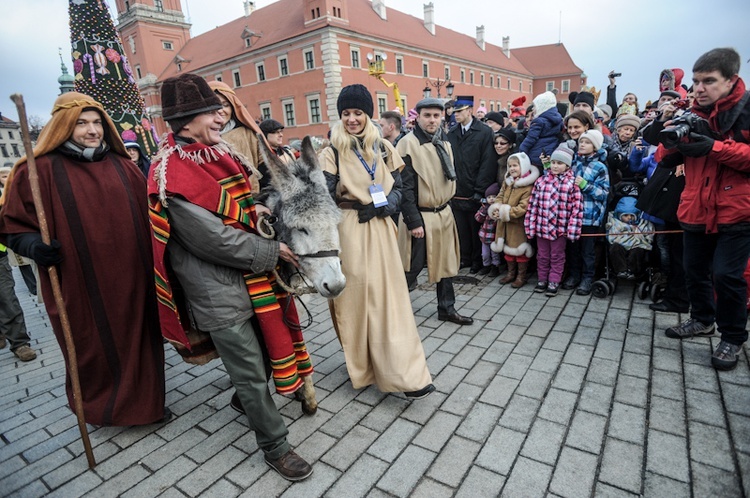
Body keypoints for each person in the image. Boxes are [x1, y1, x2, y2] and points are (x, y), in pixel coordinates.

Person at [148, 73, 313, 480]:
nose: (221, 117)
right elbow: (212, 241)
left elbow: (242, 203)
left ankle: (246, 402)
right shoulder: (170, 171)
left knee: (267, 352)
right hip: (218, 289)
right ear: (185, 121)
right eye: (211, 112)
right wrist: (274, 251)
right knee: (250, 373)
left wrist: (258, 210)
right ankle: (276, 446)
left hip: (253, 279)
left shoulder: (217, 152)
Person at [0, 92, 166, 426]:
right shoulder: (38, 170)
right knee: (91, 345)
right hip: (78, 282)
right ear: (64, 126)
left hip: (134, 279)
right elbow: (12, 226)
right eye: (82, 123)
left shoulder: (124, 166)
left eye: (97, 123)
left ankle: (146, 406)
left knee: (142, 341)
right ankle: (102, 407)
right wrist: (33, 245)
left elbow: (151, 216)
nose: (92, 131)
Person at [319, 84, 435, 398]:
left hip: (383, 230)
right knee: (356, 302)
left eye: (358, 112)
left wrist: (384, 204)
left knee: (390, 300)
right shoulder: (330, 152)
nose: (352, 119)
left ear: (368, 114)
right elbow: (325, 199)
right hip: (350, 232)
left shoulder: (383, 147)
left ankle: (407, 373)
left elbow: (401, 186)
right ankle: (362, 366)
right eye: (346, 113)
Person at [650, 48, 750, 370]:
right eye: (695, 81)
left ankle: (732, 338)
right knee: (694, 271)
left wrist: (714, 147)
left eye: (709, 81)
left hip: (737, 210)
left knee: (727, 276)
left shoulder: (746, 112)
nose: (700, 88)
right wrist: (671, 138)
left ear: (731, 80)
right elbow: (661, 158)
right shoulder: (688, 112)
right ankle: (702, 320)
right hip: (695, 206)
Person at [397, 97, 473, 325]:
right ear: (417, 117)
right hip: (420, 215)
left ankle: (446, 308)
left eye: (436, 116)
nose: (432, 120)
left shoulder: (444, 141)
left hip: (443, 213)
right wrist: (413, 221)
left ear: (442, 117)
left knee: (447, 264)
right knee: (412, 266)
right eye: (427, 115)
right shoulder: (407, 144)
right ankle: (393, 309)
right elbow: (404, 187)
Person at [446, 95, 497, 273]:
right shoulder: (451, 133)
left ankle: (477, 260)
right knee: (461, 229)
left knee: (476, 228)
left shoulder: (484, 132)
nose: (455, 115)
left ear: (469, 111)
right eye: (454, 111)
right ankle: (464, 258)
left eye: (459, 111)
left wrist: (480, 189)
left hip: (475, 189)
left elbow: (487, 162)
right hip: (457, 189)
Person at [525, 144, 582, 296]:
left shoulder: (572, 184)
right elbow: (533, 204)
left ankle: (554, 280)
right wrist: (530, 225)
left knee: (557, 256)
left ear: (567, 165)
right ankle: (542, 279)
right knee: (542, 255)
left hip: (559, 229)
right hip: (542, 227)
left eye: (560, 163)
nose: (556, 166)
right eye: (554, 162)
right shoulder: (541, 181)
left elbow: (576, 208)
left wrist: (572, 229)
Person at [564, 129, 610, 295]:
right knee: (572, 249)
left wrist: (585, 186)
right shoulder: (573, 163)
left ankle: (587, 278)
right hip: (571, 215)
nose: (582, 144)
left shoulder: (600, 167)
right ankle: (574, 275)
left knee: (587, 251)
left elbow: (603, 193)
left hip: (589, 217)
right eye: (581, 141)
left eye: (587, 142)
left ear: (595, 147)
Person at [489, 152, 540, 288]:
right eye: (510, 166)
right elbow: (500, 196)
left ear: (523, 166)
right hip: (504, 223)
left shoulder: (527, 186)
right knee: (507, 248)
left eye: (515, 166)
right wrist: (496, 207)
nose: (512, 169)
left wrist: (506, 212)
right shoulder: (508, 182)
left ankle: (521, 276)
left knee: (519, 249)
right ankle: (511, 273)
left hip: (518, 224)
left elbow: (523, 207)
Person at [208, 80, 264, 192]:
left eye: (226, 105)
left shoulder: (248, 134)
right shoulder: (202, 139)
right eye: (215, 106)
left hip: (254, 198)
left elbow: (266, 171)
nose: (221, 110)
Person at [605, 196, 654, 279]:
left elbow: (649, 233)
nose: (629, 218)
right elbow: (611, 234)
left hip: (636, 244)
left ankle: (633, 271)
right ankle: (621, 270)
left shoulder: (642, 223)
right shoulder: (615, 222)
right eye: (626, 215)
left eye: (632, 215)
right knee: (615, 248)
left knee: (638, 251)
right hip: (620, 243)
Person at [519, 91, 564, 169]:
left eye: (535, 106)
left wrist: (522, 151)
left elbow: (531, 139)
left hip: (535, 156)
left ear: (542, 107)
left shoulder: (538, 121)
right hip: (549, 153)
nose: (533, 109)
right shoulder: (559, 120)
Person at [474, 183, 501, 277]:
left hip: (494, 237)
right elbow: (477, 219)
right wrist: (484, 211)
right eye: (489, 197)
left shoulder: (498, 209)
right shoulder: (484, 208)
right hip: (484, 236)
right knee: (485, 254)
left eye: (494, 196)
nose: (492, 199)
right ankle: (486, 266)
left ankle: (495, 267)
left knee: (495, 254)